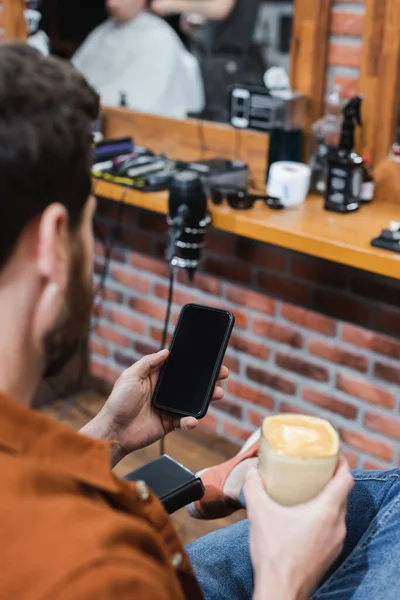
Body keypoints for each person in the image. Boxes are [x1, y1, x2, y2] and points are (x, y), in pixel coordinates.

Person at [0, 43, 398, 600]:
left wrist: (110, 437)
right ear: (52, 246)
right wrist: (286, 574)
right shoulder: (96, 570)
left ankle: (228, 479)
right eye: (87, 230)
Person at [72, 0, 204, 117]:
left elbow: (146, 100)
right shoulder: (102, 31)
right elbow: (73, 73)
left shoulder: (158, 37)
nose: (111, 3)